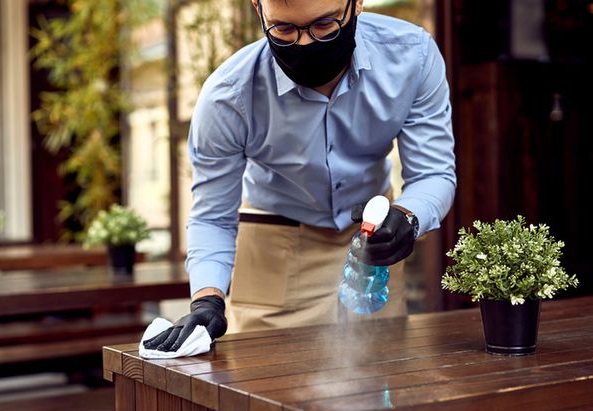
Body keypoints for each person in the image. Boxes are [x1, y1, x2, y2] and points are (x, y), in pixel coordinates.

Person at [143, 0, 456, 352]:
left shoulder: (411, 57)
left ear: (357, 4)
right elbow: (213, 217)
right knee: (262, 388)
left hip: (372, 248)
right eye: (284, 30)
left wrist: (408, 216)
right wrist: (206, 299)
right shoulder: (229, 96)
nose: (305, 44)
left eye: (324, 25)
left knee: (380, 382)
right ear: (258, 9)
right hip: (273, 249)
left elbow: (434, 172)